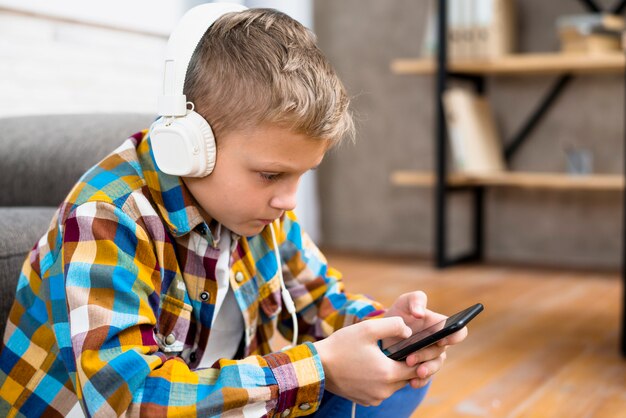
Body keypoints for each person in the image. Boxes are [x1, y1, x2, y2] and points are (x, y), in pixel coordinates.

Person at [0, 4, 467, 417]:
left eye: (301, 174)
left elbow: (318, 297)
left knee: (392, 385)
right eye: (270, 175)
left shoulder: (261, 208)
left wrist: (389, 328)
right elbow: (130, 400)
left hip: (216, 400)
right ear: (189, 147)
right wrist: (319, 368)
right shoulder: (107, 218)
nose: (289, 199)